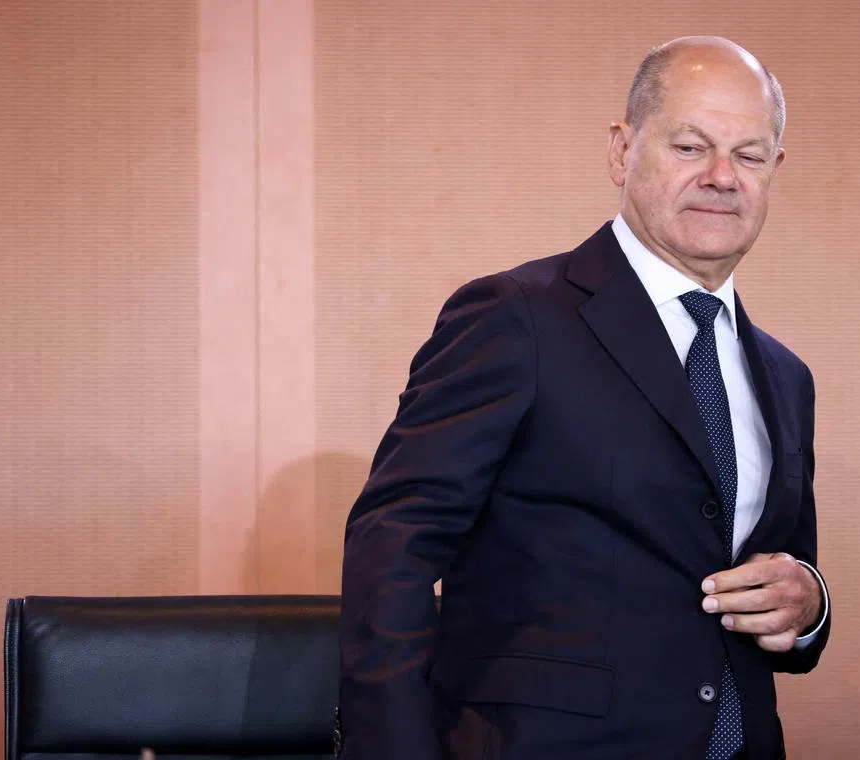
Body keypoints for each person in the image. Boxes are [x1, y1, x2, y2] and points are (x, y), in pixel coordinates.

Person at [337, 35, 831, 760]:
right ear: (621, 152)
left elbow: (782, 572)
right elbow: (394, 547)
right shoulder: (516, 317)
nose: (722, 177)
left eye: (749, 156)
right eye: (690, 147)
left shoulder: (786, 376)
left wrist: (808, 603)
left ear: (775, 170)